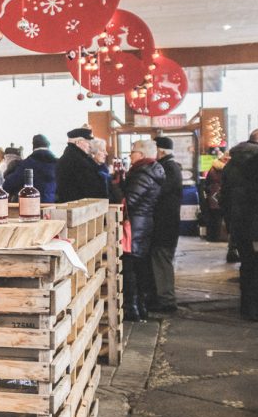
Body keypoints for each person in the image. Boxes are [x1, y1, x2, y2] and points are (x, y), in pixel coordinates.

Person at [119, 139, 166, 322]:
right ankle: (140, 307)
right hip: (143, 223)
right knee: (139, 267)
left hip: (134, 226)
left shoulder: (141, 173)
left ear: (141, 154)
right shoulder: (151, 171)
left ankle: (132, 309)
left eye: (132, 152)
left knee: (130, 268)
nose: (130, 156)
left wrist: (116, 189)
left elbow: (130, 201)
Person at [219, 128, 258, 321]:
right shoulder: (256, 163)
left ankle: (247, 308)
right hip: (255, 224)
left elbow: (223, 198)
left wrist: (230, 222)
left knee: (248, 265)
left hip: (240, 224)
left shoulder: (231, 165)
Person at [149, 136, 183, 313]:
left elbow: (158, 193)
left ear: (160, 151)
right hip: (167, 223)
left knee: (162, 261)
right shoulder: (171, 166)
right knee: (162, 260)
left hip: (164, 224)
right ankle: (164, 298)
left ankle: (167, 301)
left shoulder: (167, 168)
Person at [56, 127, 108, 203]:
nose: (90, 145)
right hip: (79, 208)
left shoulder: (71, 157)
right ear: (78, 142)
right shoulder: (78, 161)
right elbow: (91, 188)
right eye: (88, 142)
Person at [4, 134, 58, 203]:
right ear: (48, 145)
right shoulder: (58, 163)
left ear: (33, 146)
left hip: (30, 205)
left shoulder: (27, 164)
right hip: (51, 205)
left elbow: (9, 184)